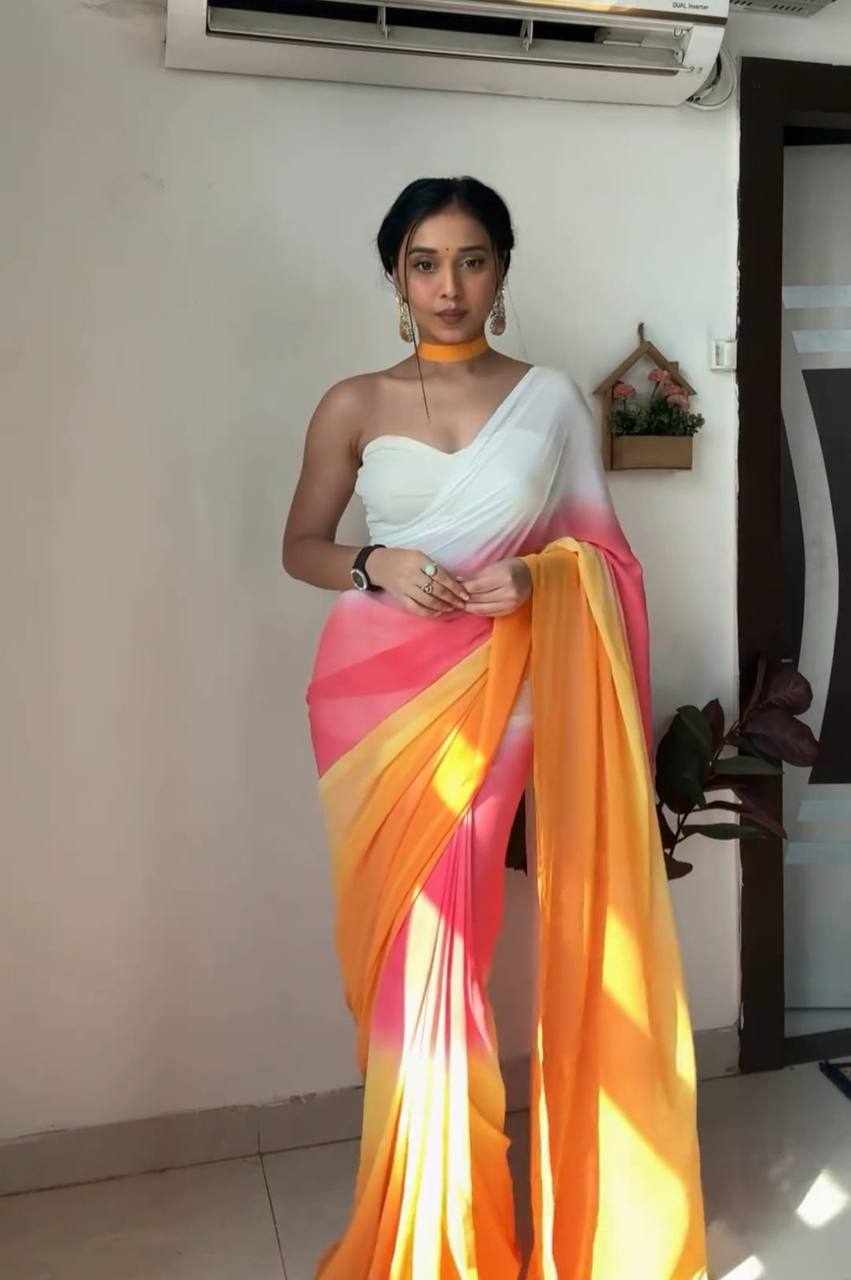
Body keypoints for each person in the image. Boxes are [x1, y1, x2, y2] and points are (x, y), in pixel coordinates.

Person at [282, 176, 709, 1280]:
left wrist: (536, 575)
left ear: (501, 271)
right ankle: (429, 1220)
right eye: (424, 262)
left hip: (500, 685)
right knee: (404, 952)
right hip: (369, 698)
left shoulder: (550, 400)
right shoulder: (352, 403)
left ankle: (442, 1226)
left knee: (449, 943)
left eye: (470, 260)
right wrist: (377, 560)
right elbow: (300, 546)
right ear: (395, 275)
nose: (448, 285)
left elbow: (605, 558)